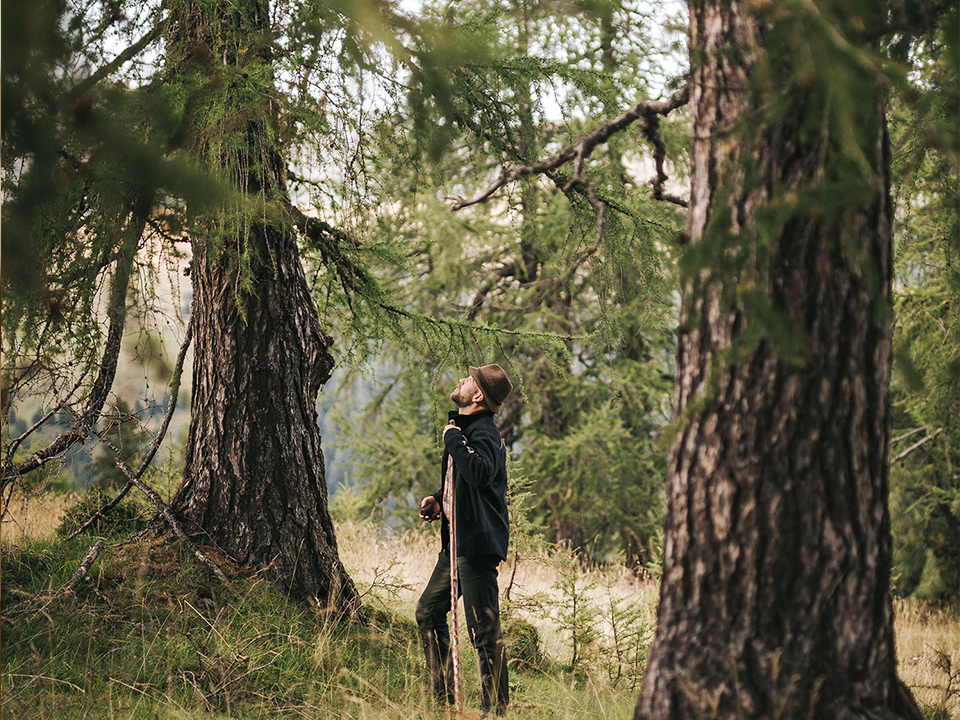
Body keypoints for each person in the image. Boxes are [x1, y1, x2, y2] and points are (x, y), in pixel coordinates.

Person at [416, 364, 514, 716]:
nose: (461, 379)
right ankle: (442, 701)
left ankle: (495, 711)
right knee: (428, 612)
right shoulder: (466, 429)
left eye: (469, 379)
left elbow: (480, 472)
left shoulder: (483, 431)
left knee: (484, 632)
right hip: (456, 545)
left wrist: (452, 439)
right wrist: (438, 498)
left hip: (475, 547)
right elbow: (464, 479)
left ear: (477, 396)